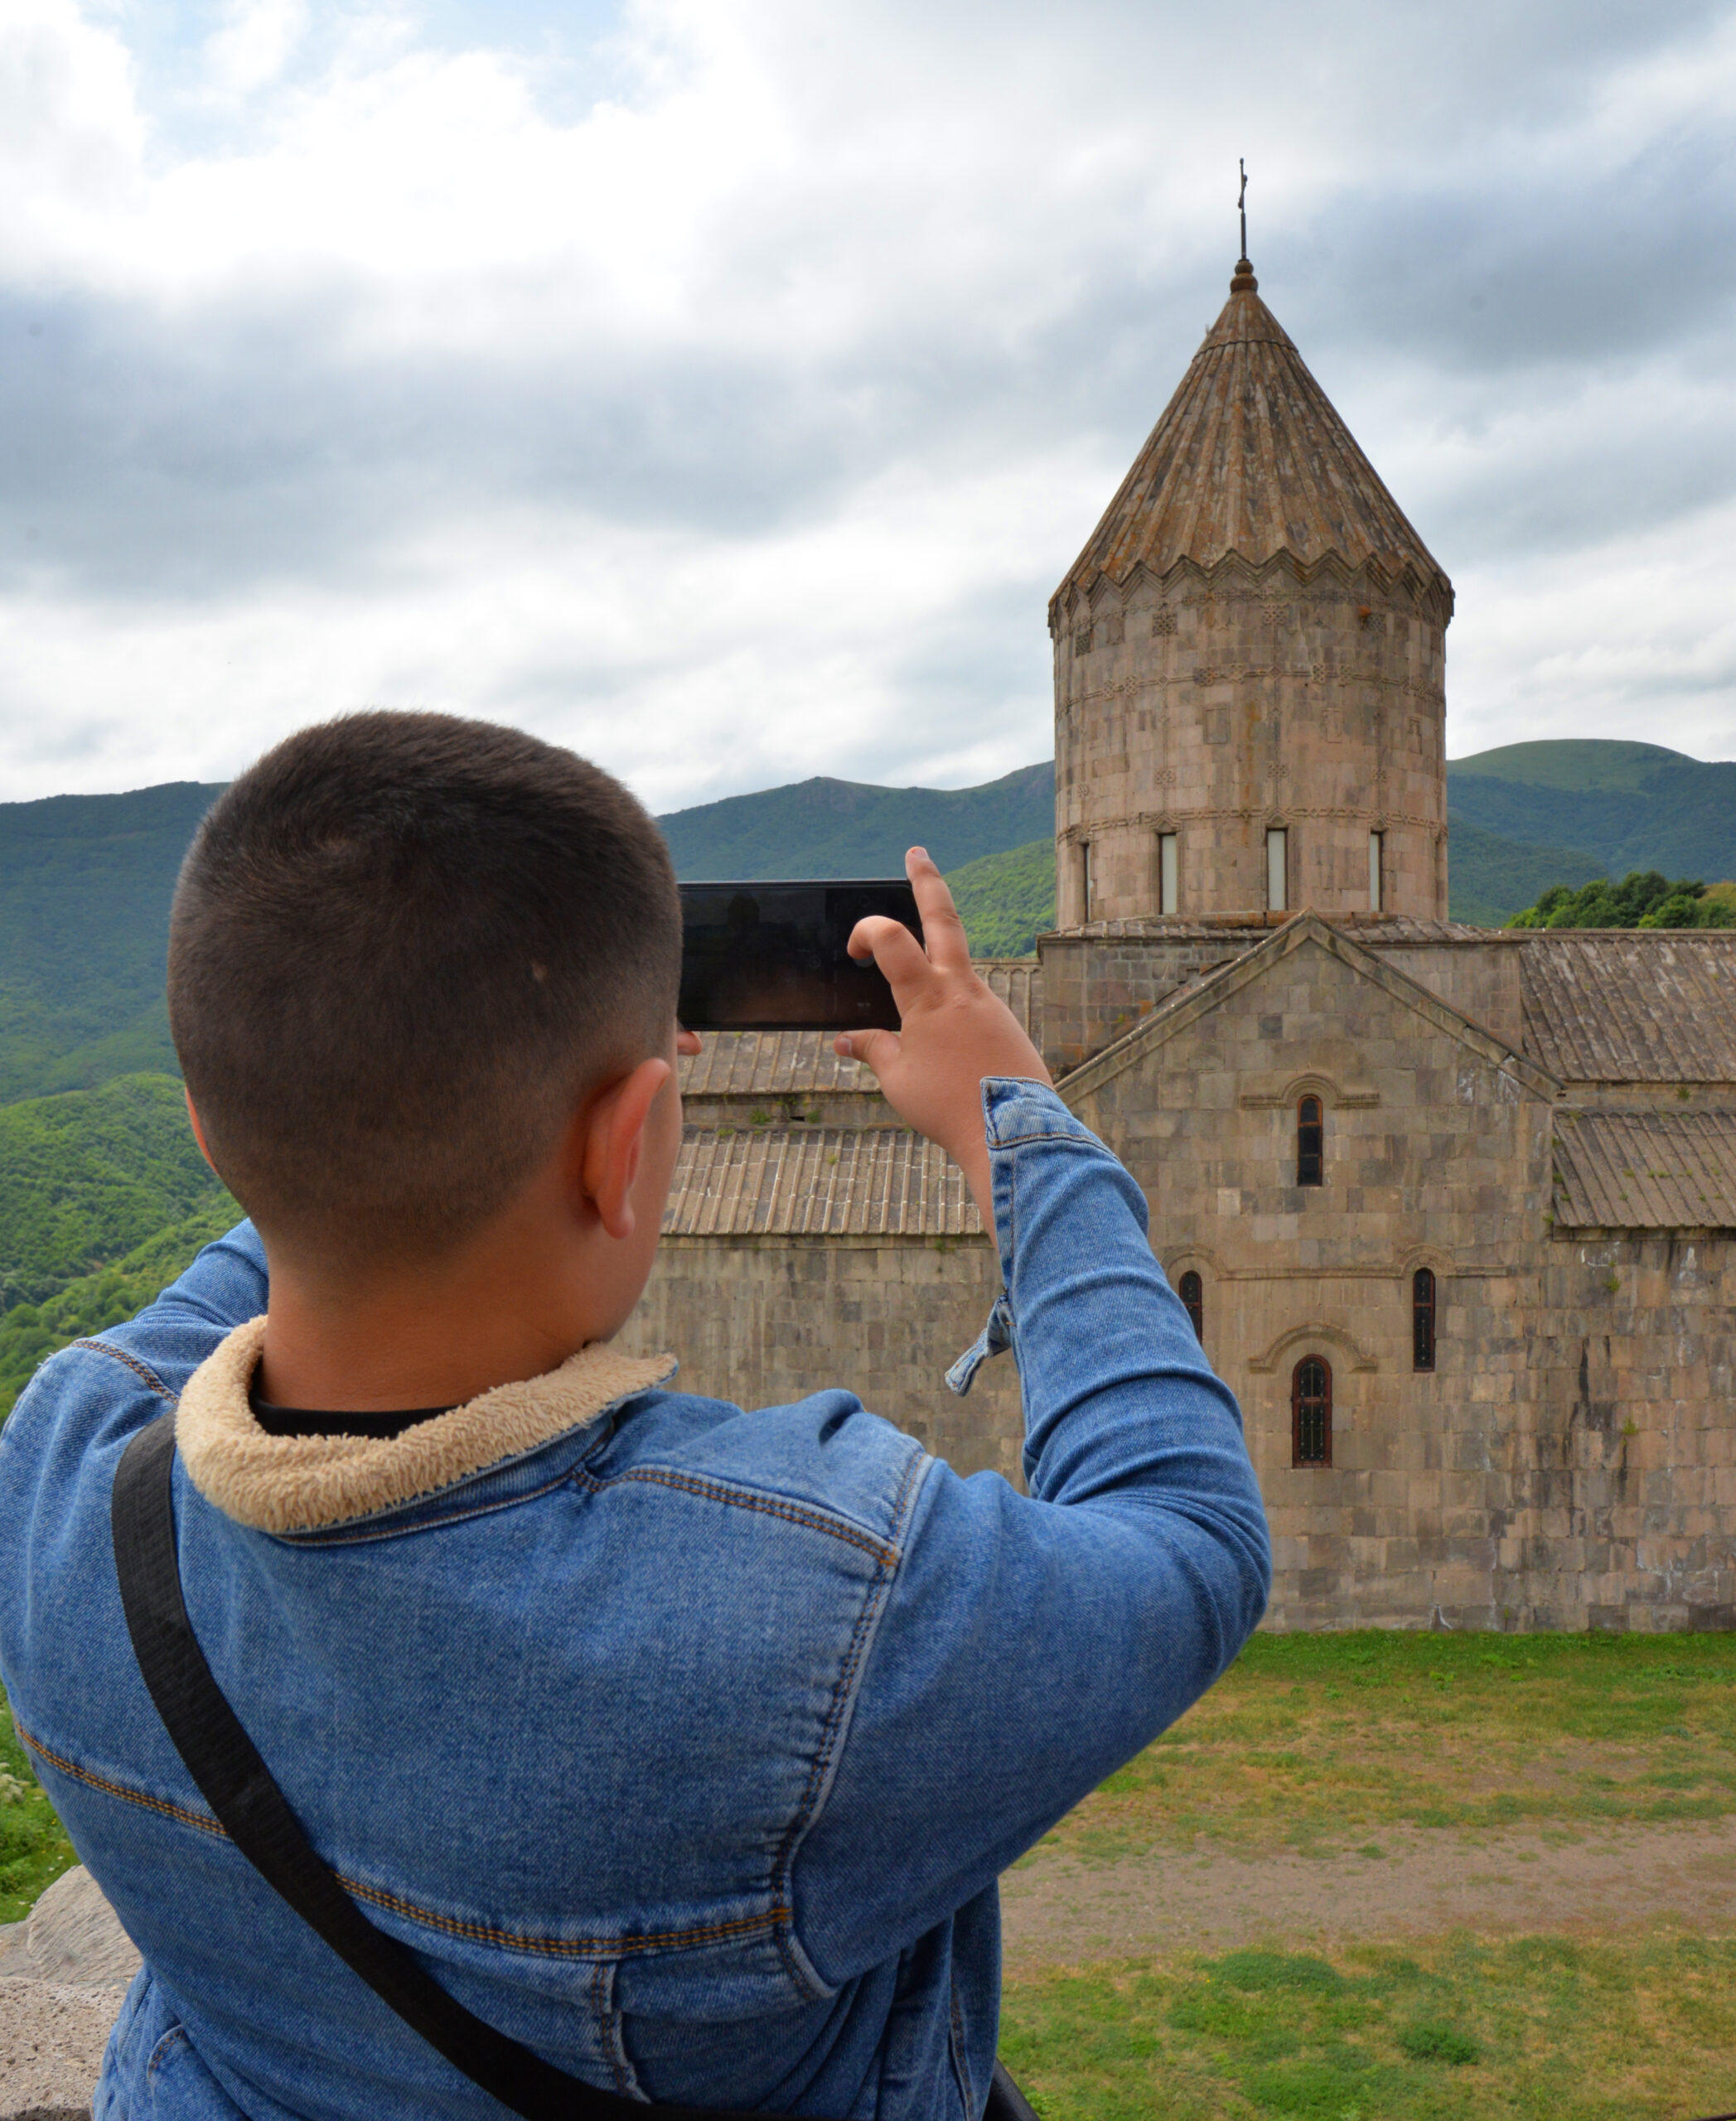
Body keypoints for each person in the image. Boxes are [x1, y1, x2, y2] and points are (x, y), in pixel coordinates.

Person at [0, 712, 1269, 2120]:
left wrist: (503, 1084)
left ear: (205, 1126)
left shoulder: (61, 1465)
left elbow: (318, 1182)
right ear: (622, 1154)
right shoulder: (806, 1619)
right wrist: (1017, 1120)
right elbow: (1191, 1534)